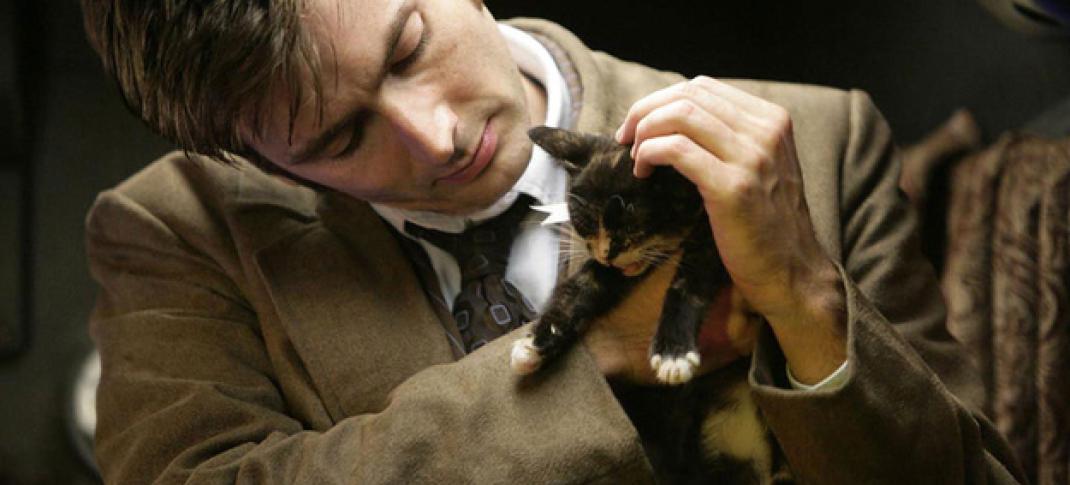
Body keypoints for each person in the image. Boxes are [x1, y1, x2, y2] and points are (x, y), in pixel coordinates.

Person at [79, 0, 1027, 483]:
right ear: (262, 163)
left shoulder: (817, 139)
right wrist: (601, 351)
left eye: (408, 47)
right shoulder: (174, 233)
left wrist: (808, 302)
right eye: (338, 138)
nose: (436, 137)